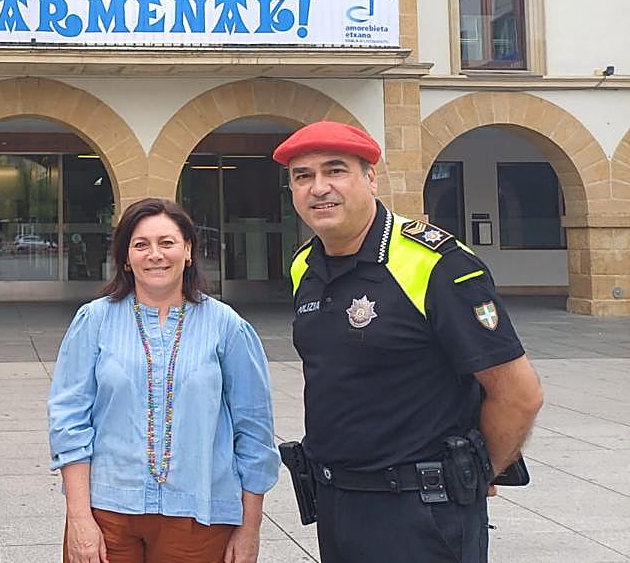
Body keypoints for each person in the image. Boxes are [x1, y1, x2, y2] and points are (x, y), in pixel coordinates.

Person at [273, 120, 545, 563]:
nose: (318, 187)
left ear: (370, 178)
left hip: (421, 513)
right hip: (335, 503)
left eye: (335, 170)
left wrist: (477, 472)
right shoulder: (306, 264)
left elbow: (518, 393)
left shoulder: (438, 265)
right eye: (303, 176)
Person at [48, 198, 279, 563]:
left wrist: (250, 528)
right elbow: (69, 421)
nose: (155, 254)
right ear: (125, 258)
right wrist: (79, 519)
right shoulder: (93, 321)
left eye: (167, 243)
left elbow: (255, 433)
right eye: (141, 245)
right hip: (108, 513)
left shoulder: (227, 326)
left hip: (199, 518)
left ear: (188, 250)